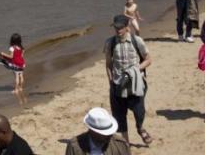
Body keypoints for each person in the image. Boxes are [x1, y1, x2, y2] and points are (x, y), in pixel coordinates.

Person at [104, 14, 153, 145]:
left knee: (139, 111)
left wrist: (136, 70)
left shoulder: (137, 41)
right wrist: (111, 81)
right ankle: (126, 143)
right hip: (118, 84)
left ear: (127, 27)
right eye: (116, 28)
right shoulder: (110, 43)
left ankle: (140, 128)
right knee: (119, 115)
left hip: (136, 84)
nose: (118, 30)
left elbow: (148, 60)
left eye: (120, 27)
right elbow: (108, 63)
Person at [63, 107, 130, 155]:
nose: (109, 136)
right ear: (92, 131)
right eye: (103, 134)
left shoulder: (120, 145)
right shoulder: (75, 146)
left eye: (109, 132)